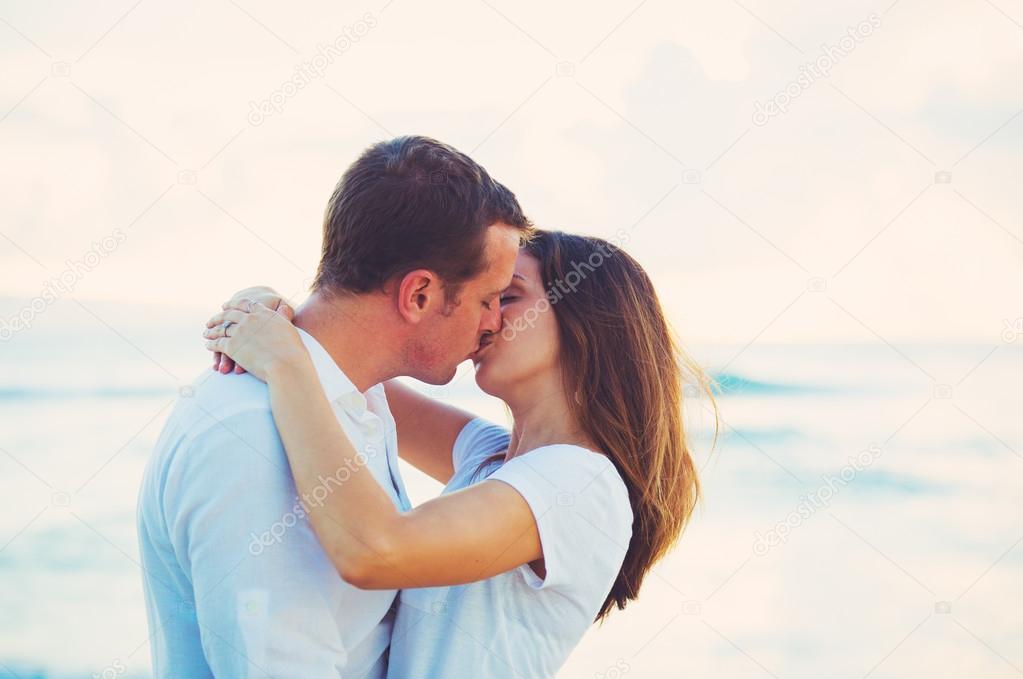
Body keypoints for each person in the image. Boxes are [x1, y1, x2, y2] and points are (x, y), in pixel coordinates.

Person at [202, 229, 718, 677]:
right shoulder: (496, 460)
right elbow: (350, 370)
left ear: (585, 322)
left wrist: (287, 362)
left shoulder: (579, 484)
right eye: (485, 298)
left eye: (506, 297)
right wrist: (272, 311)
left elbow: (375, 550)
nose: (485, 318)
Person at [136, 135, 532, 677]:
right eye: (488, 299)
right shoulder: (251, 435)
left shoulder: (354, 397)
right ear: (419, 295)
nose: (495, 322)